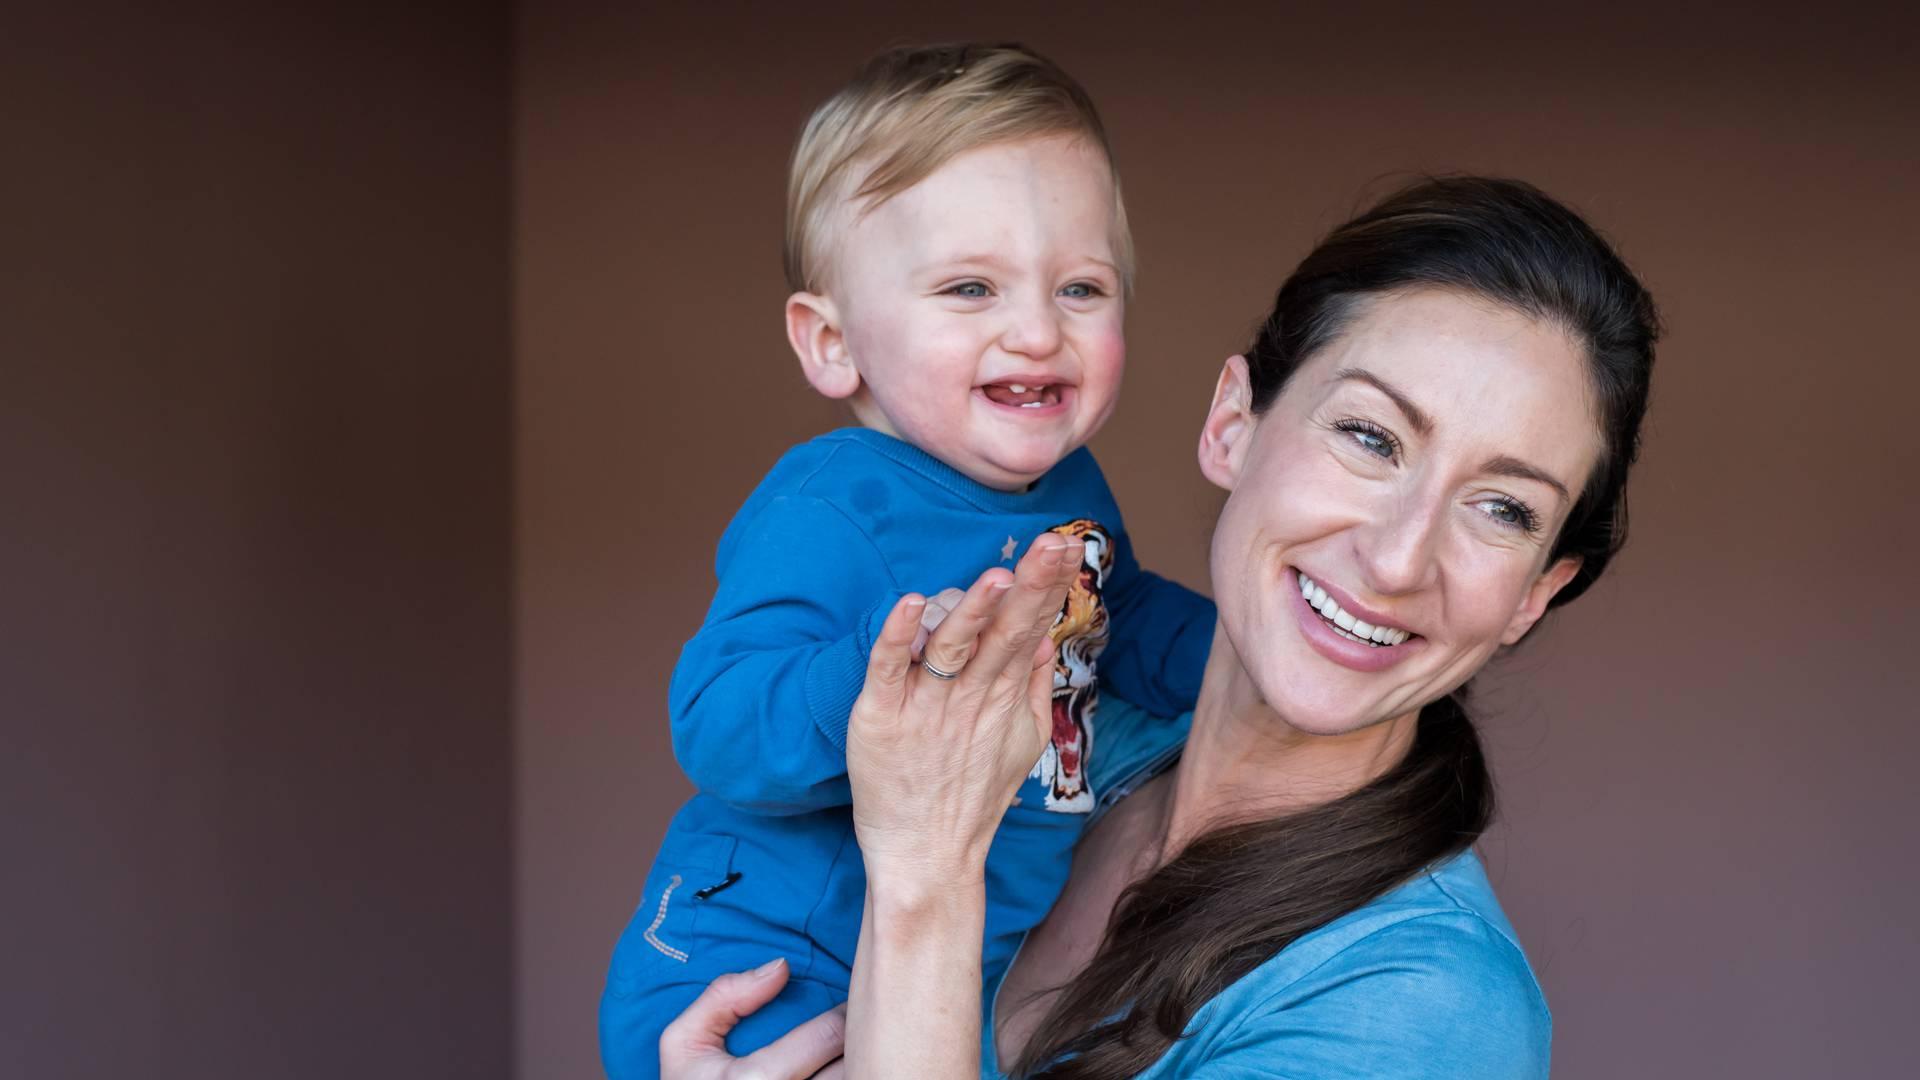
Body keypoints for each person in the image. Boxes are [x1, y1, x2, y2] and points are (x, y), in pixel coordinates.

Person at [658, 176, 1661, 1078]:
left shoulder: (1422, 1012)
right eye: (1370, 436)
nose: (1400, 560)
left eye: (1504, 510)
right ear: (1233, 422)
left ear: (1536, 591)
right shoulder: (1070, 720)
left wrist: (924, 878)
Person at [599, 43, 1216, 1076]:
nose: (1034, 330)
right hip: (772, 966)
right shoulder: (834, 506)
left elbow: (1118, 615)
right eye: (971, 288)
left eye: (1080, 287)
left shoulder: (1071, 494)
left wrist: (1240, 652)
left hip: (961, 965)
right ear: (832, 344)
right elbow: (716, 721)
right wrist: (886, 675)